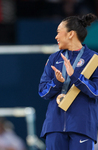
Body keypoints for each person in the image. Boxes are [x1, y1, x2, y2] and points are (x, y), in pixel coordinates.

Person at [38, 13, 98, 150]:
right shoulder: (54, 59)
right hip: (54, 126)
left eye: (58, 32)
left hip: (82, 126)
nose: (56, 37)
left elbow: (96, 91)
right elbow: (42, 92)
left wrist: (74, 75)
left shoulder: (94, 59)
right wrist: (57, 82)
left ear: (71, 34)